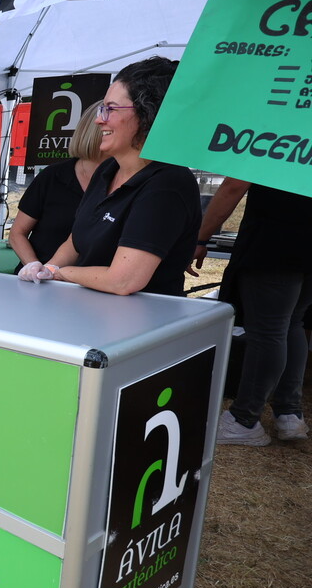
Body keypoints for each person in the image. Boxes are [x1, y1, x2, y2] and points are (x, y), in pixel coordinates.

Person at [18, 57, 199, 296]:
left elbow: (122, 281)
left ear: (149, 115)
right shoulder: (107, 170)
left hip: (141, 324)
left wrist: (59, 274)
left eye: (110, 109)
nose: (98, 119)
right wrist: (49, 266)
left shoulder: (167, 184)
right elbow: (75, 240)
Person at [190, 180, 312, 446]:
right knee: (292, 324)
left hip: (276, 242)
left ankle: (244, 420)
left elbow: (234, 186)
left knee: (269, 331)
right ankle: (289, 414)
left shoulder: (276, 136)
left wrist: (200, 237)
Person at [9, 104, 107, 273]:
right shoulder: (53, 176)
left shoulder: (127, 181)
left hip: (92, 284)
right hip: (42, 281)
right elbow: (17, 233)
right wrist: (33, 266)